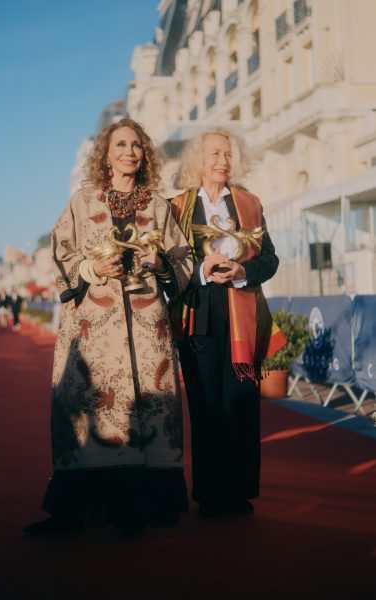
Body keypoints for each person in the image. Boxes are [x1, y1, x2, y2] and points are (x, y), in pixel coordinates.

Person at [24, 118, 193, 534]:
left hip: (147, 329)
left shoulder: (158, 206)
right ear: (105, 154)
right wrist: (92, 268)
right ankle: (77, 512)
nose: (129, 152)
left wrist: (161, 262)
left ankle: (137, 511)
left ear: (145, 154)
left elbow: (185, 260)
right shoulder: (82, 203)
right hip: (94, 330)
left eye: (136, 145)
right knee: (94, 410)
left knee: (148, 411)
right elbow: (60, 251)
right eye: (120, 145)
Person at [169, 128, 285, 517]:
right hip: (197, 315)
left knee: (241, 406)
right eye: (215, 153)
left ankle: (238, 492)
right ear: (198, 160)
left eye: (228, 154)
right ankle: (208, 494)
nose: (223, 161)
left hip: (242, 314)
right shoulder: (177, 207)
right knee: (206, 409)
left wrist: (242, 271)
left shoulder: (249, 203)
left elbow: (270, 259)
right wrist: (200, 271)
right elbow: (169, 265)